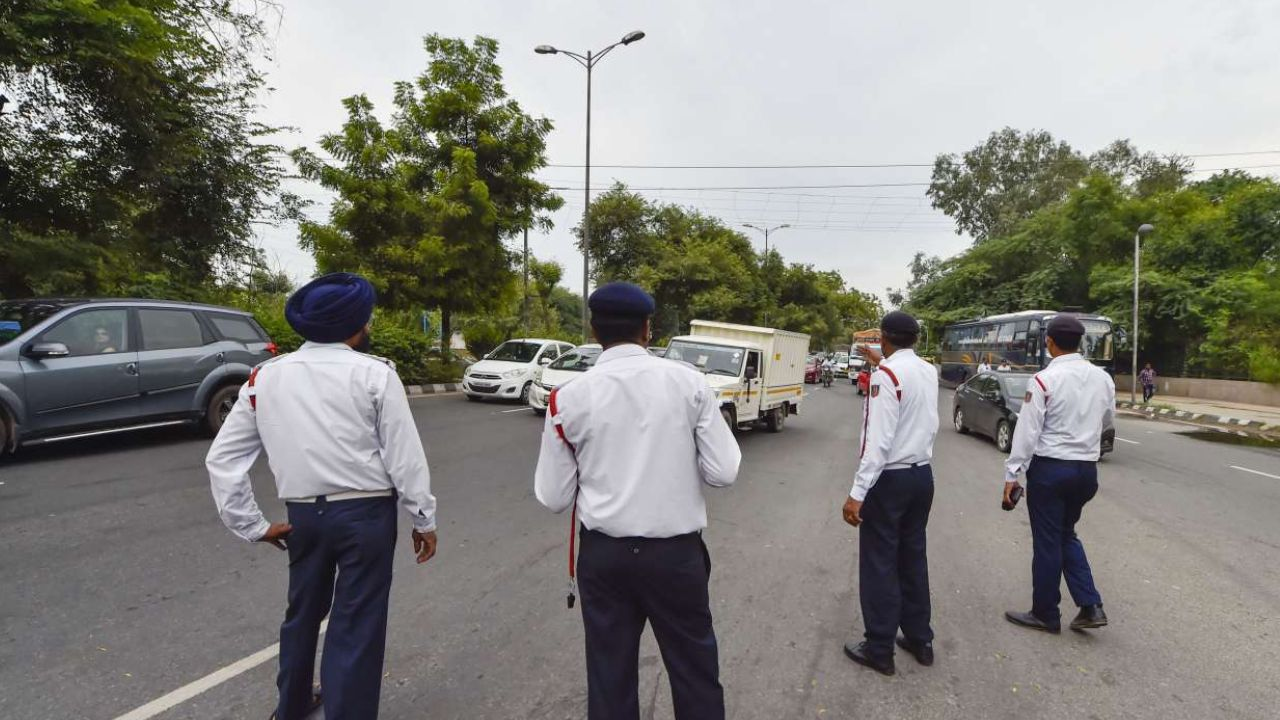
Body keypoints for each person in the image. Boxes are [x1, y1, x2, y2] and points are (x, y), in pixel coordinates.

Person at [206, 272, 439, 720]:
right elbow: (404, 457)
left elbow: (223, 459)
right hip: (366, 516)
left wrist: (252, 525)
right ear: (354, 326)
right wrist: (423, 519)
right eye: (366, 321)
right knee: (356, 624)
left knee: (302, 614)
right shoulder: (376, 375)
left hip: (303, 518)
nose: (369, 328)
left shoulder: (263, 378)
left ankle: (291, 706)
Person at [534, 282, 741, 720]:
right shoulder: (690, 384)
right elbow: (723, 472)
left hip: (604, 559)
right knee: (694, 670)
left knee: (610, 675)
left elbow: (554, 497)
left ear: (594, 330)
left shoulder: (568, 398)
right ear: (648, 329)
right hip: (675, 557)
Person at [841, 311, 940, 676]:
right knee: (913, 557)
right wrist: (880, 358)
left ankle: (879, 647)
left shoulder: (886, 376)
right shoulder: (927, 371)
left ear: (884, 337)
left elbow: (878, 442)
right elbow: (904, 374)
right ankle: (920, 638)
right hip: (921, 477)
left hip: (890, 481)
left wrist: (857, 492)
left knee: (880, 562)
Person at [1002, 315, 1115, 634]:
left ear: (1049, 343)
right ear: (1080, 343)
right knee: (1066, 533)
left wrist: (1013, 475)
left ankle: (1045, 613)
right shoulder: (1103, 378)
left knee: (1048, 541)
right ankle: (1090, 605)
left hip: (1051, 469)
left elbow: (1026, 432)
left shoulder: (1043, 380)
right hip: (1086, 471)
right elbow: (1107, 417)